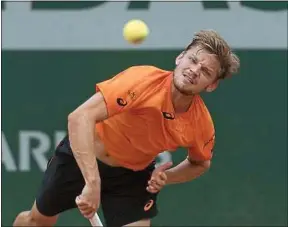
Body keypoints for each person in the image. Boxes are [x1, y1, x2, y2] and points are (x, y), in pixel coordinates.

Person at [13, 29, 240, 227]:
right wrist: (92, 182)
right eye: (192, 60)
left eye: (206, 71)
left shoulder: (201, 124)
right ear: (180, 58)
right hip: (82, 160)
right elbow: (80, 117)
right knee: (36, 222)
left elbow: (200, 163)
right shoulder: (141, 80)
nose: (194, 70)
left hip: (132, 177)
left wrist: (166, 178)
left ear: (211, 85)